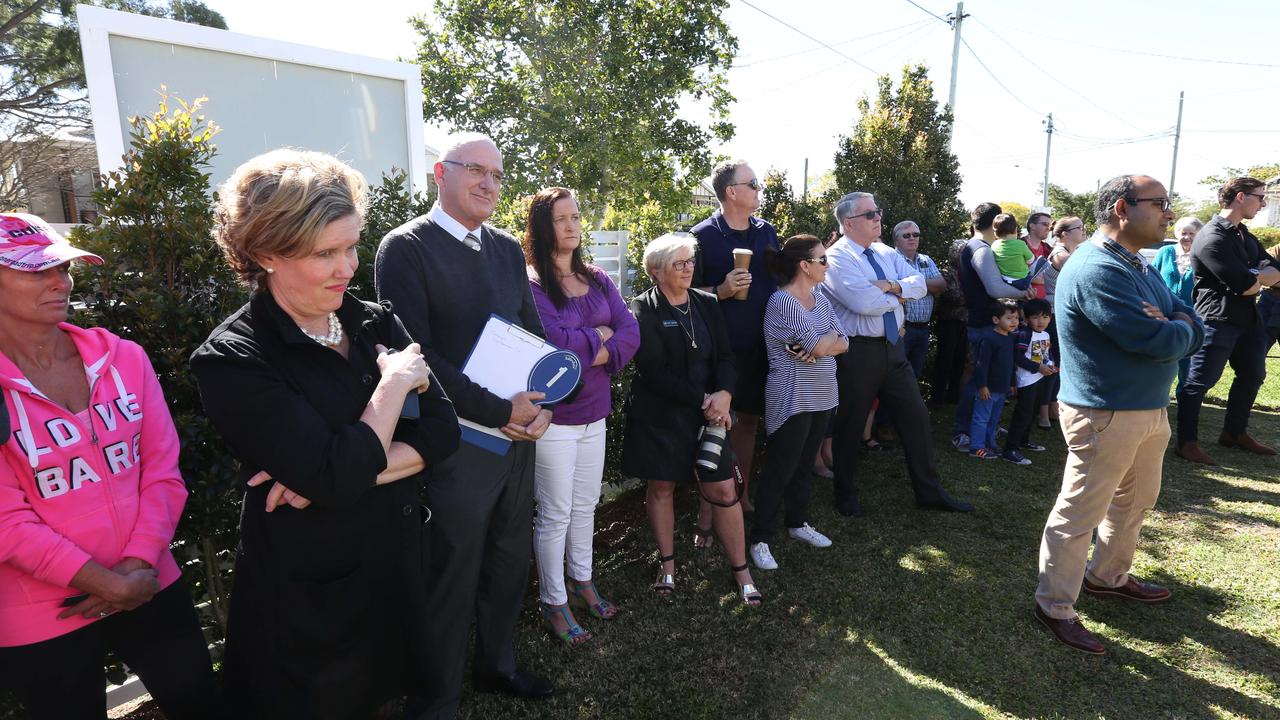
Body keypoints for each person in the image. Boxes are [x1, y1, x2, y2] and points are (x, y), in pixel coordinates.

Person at [190, 150, 459, 718]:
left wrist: (335, 473)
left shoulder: (374, 320)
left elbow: (444, 431)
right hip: (310, 603)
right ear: (266, 254)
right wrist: (392, 389)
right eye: (325, 253)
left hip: (392, 569)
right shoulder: (234, 358)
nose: (348, 267)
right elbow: (357, 463)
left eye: (352, 246)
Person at [0, 214, 219, 719]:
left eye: (63, 267)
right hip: (42, 611)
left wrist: (135, 568)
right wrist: (103, 581)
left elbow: (162, 471)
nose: (60, 281)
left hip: (148, 581)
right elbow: (6, 519)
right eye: (36, 271)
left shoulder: (125, 359)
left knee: (203, 706)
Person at [374, 133, 555, 714]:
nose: (490, 184)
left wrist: (545, 400)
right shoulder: (404, 248)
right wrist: (503, 412)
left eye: (498, 175)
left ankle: (497, 666)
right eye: (476, 170)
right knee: (451, 575)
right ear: (440, 174)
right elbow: (415, 354)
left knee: (508, 560)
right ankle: (435, 699)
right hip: (456, 446)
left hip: (518, 440)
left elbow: (533, 338)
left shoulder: (505, 249)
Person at [1034, 174, 1203, 655]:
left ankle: (1107, 577)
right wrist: (1175, 326)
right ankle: (1054, 606)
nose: (1168, 213)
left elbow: (1185, 315)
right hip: (1104, 413)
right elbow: (1154, 339)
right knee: (1080, 512)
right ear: (1123, 209)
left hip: (1147, 408)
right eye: (1160, 204)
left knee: (1135, 500)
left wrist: (1176, 321)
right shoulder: (1096, 268)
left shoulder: (1137, 264)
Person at [523, 187, 639, 645]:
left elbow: (630, 332)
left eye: (576, 218)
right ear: (542, 226)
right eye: (561, 219)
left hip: (596, 412)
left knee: (586, 506)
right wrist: (600, 336)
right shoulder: (531, 284)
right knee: (554, 513)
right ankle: (553, 601)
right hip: (555, 419)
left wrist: (590, 341)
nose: (572, 226)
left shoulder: (596, 278)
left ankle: (583, 580)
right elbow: (554, 347)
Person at [622, 234, 761, 606]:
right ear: (656, 272)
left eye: (690, 262)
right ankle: (667, 565)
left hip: (711, 412)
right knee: (662, 488)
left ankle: (741, 571)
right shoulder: (642, 309)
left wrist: (725, 394)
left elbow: (727, 358)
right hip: (662, 416)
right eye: (678, 263)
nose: (688, 269)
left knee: (724, 490)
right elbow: (652, 371)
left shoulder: (708, 303)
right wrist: (706, 399)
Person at [822, 192, 974, 517]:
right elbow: (863, 303)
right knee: (850, 426)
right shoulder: (838, 257)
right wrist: (899, 292)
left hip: (894, 349)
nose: (878, 217)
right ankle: (845, 494)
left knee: (916, 418)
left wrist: (888, 287)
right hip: (857, 352)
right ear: (849, 222)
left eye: (878, 211)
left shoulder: (883, 251)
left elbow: (919, 283)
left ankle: (929, 492)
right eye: (869, 214)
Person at [749, 234, 847, 571]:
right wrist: (823, 345)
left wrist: (823, 344)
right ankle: (760, 538)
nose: (826, 265)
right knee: (780, 468)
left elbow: (842, 340)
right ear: (804, 266)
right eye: (821, 260)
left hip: (823, 393)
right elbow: (820, 346)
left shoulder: (819, 297)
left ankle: (797, 523)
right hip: (792, 397)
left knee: (806, 464)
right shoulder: (782, 302)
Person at [691, 160, 779, 522]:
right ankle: (707, 511)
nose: (759, 189)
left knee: (748, 422)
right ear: (731, 192)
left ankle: (739, 495)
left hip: (761, 343)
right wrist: (721, 291)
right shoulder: (702, 236)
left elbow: (780, 281)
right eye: (753, 183)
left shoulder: (766, 231)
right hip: (718, 349)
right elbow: (682, 293)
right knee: (714, 424)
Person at [1175, 177, 1280, 465]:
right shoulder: (1212, 237)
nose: (1264, 204)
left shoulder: (1241, 234)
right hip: (1216, 319)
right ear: (1241, 197)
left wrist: (1258, 275)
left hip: (1248, 318)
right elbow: (1243, 284)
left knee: (1253, 375)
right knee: (1198, 383)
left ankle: (1234, 433)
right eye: (1261, 197)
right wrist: (1260, 276)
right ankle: (1186, 443)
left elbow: (1275, 270)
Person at [952, 203, 1036, 451]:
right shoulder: (981, 250)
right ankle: (963, 431)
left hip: (987, 322)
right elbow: (995, 289)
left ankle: (984, 422)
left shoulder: (982, 247)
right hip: (983, 324)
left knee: (988, 378)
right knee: (979, 380)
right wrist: (1024, 292)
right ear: (994, 223)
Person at [1003, 299, 1058, 465]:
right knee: (1023, 414)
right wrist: (1037, 367)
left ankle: (1023, 440)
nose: (1041, 321)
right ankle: (1010, 449)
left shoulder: (1046, 334)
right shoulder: (1025, 334)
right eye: (1035, 317)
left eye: (1045, 317)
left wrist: (1051, 365)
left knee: (1033, 412)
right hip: (1026, 380)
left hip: (1041, 378)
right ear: (1026, 319)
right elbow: (1018, 357)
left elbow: (1047, 354)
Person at [1151, 217, 1201, 393]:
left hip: (1192, 315)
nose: (1186, 237)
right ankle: (1158, 396)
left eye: (1191, 233)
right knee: (1163, 357)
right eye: (1183, 233)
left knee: (1188, 361)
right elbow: (1151, 277)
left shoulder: (1202, 254)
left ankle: (1184, 399)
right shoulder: (1165, 252)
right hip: (1164, 313)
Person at [892, 220, 946, 380]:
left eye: (916, 234)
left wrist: (911, 284)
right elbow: (892, 290)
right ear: (896, 240)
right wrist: (925, 285)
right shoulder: (891, 260)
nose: (912, 238)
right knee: (896, 374)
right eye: (906, 235)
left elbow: (941, 285)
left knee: (915, 374)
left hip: (923, 329)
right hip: (902, 329)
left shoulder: (926, 260)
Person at [968, 299, 1019, 461]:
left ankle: (989, 444)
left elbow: (1011, 363)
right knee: (981, 418)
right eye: (1009, 318)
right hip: (988, 388)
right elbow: (981, 365)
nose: (1014, 322)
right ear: (996, 320)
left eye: (1016, 318)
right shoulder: (988, 339)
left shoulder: (1011, 338)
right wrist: (982, 386)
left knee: (994, 419)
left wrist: (1012, 383)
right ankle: (976, 447)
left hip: (1002, 388)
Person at [929, 238, 970, 405]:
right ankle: (937, 398)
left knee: (960, 360)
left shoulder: (969, 273)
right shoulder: (947, 272)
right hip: (949, 322)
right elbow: (951, 295)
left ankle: (953, 397)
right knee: (944, 360)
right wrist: (971, 296)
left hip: (964, 321)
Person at [1024, 212, 1054, 299]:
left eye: (1050, 226)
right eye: (1045, 224)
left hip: (1045, 305)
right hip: (1023, 303)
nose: (1048, 228)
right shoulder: (1019, 245)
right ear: (1032, 226)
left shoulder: (1049, 249)